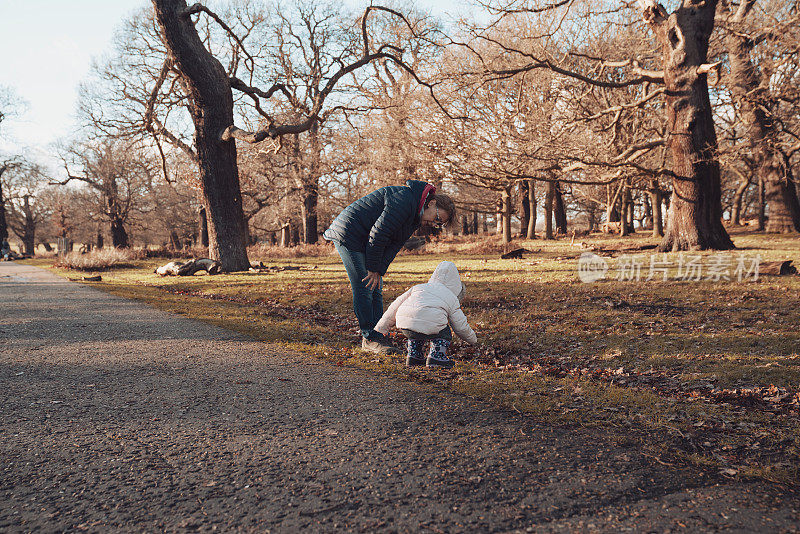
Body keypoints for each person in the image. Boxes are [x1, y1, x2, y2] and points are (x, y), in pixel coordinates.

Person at [324, 180, 456, 354]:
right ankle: (369, 338)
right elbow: (379, 234)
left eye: (439, 224)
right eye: (437, 218)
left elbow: (394, 244)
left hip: (365, 238)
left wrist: (379, 270)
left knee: (376, 286)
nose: (435, 223)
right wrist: (372, 268)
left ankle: (378, 334)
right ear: (431, 203)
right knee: (365, 286)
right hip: (349, 233)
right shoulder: (405, 201)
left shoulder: (415, 215)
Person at [374, 261, 477, 368]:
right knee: (444, 330)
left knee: (418, 325)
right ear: (456, 285)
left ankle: (414, 356)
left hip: (405, 325)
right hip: (429, 325)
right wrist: (473, 340)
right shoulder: (451, 297)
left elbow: (394, 307)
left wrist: (382, 328)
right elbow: (460, 326)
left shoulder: (418, 287)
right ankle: (437, 357)